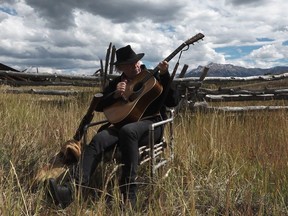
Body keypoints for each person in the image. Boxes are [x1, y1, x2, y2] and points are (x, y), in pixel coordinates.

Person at [48, 45, 179, 209]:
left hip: (151, 126)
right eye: (130, 64)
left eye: (136, 62)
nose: (135, 65)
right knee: (98, 139)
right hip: (122, 126)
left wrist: (165, 75)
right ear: (120, 68)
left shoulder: (153, 77)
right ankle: (70, 190)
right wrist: (114, 95)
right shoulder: (117, 83)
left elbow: (173, 101)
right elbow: (99, 105)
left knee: (128, 131)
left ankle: (129, 197)